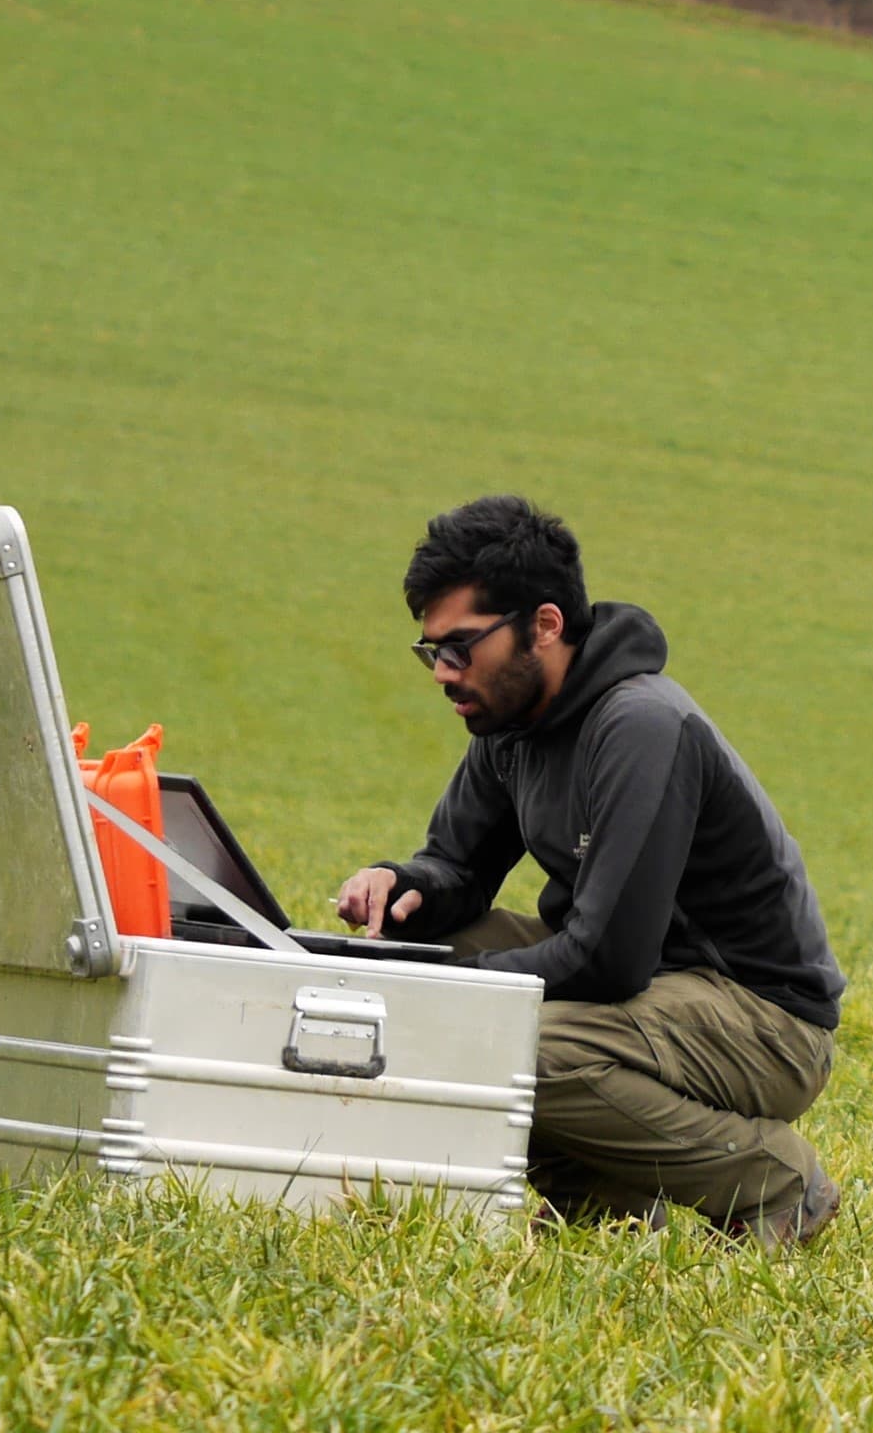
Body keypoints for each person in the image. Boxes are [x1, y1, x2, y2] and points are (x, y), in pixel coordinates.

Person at [333, 494, 846, 1243]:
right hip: (651, 992)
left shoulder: (641, 726)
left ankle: (776, 1182)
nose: (442, 672)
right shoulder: (509, 723)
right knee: (415, 952)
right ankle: (609, 1209)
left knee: (513, 1048)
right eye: (431, 650)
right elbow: (456, 868)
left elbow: (608, 960)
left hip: (763, 1021)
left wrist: (457, 994)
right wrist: (405, 887)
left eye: (460, 646)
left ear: (544, 625)